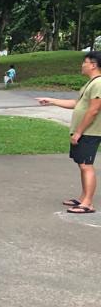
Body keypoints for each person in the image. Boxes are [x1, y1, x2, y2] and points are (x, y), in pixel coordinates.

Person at [37, 51, 101, 214]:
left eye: (85, 62)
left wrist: (79, 132)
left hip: (90, 132)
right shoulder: (90, 83)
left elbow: (93, 110)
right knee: (82, 165)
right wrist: (51, 100)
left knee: (86, 165)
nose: (82, 65)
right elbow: (77, 104)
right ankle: (82, 198)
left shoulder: (98, 83)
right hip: (84, 131)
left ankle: (87, 203)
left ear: (93, 65)